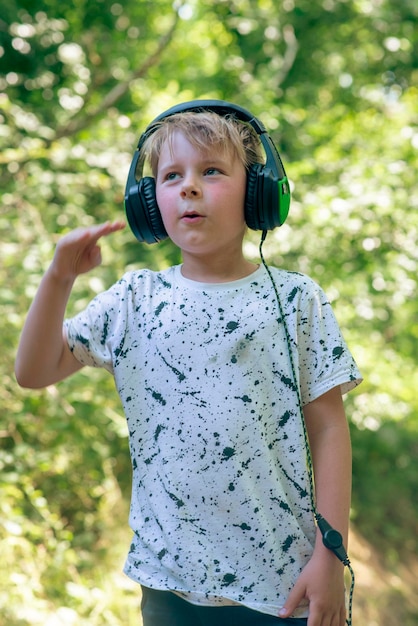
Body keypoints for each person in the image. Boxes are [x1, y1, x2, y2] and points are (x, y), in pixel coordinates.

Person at [15, 101, 362, 626]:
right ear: (149, 204)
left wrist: (331, 556)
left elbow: (331, 429)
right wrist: (59, 277)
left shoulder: (295, 300)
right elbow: (33, 372)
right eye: (171, 176)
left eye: (212, 171)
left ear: (259, 192)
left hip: (284, 587)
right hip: (168, 585)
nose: (189, 187)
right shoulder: (134, 299)